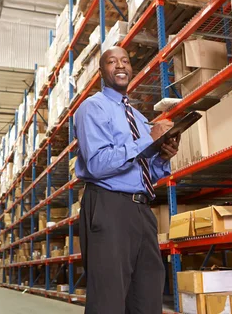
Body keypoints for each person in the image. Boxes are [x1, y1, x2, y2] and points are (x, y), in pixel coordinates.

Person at [74, 46, 179, 313]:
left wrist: (162, 156)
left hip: (142, 210)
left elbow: (147, 173)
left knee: (147, 295)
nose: (120, 66)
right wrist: (148, 139)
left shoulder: (139, 117)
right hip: (109, 207)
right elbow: (97, 164)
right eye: (112, 61)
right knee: (108, 299)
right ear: (101, 72)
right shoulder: (92, 108)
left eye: (125, 60)